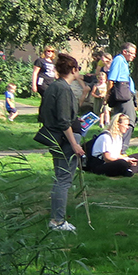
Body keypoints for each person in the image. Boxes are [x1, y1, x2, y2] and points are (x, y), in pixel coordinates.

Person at [38, 54, 86, 232]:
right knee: (64, 180)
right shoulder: (64, 89)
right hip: (64, 139)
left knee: (59, 178)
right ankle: (58, 221)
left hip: (54, 137)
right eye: (78, 69)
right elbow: (64, 121)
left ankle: (55, 217)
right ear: (73, 70)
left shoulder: (53, 87)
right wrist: (74, 144)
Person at [107, 43, 138, 149]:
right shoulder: (119, 60)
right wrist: (107, 95)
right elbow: (111, 79)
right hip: (122, 95)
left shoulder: (123, 61)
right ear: (125, 52)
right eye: (132, 53)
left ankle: (119, 146)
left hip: (127, 94)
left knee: (127, 120)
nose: (134, 56)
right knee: (127, 122)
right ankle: (121, 148)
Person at [92, 54, 112, 127]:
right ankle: (101, 122)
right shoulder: (96, 85)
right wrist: (97, 95)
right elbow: (92, 93)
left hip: (105, 98)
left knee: (106, 110)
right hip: (99, 99)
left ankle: (107, 121)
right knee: (101, 112)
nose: (102, 60)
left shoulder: (106, 85)